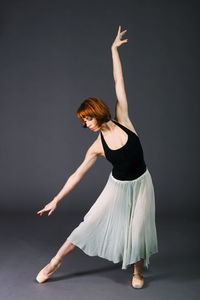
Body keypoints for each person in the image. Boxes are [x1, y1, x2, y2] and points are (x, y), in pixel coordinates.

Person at [36, 25, 158, 288]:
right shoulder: (97, 147)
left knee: (138, 229)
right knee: (89, 222)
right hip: (118, 188)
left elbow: (118, 81)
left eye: (88, 118)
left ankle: (137, 272)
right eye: (84, 121)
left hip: (142, 183)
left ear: (97, 112)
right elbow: (77, 174)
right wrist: (56, 199)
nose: (86, 124)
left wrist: (113, 50)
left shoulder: (123, 118)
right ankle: (56, 260)